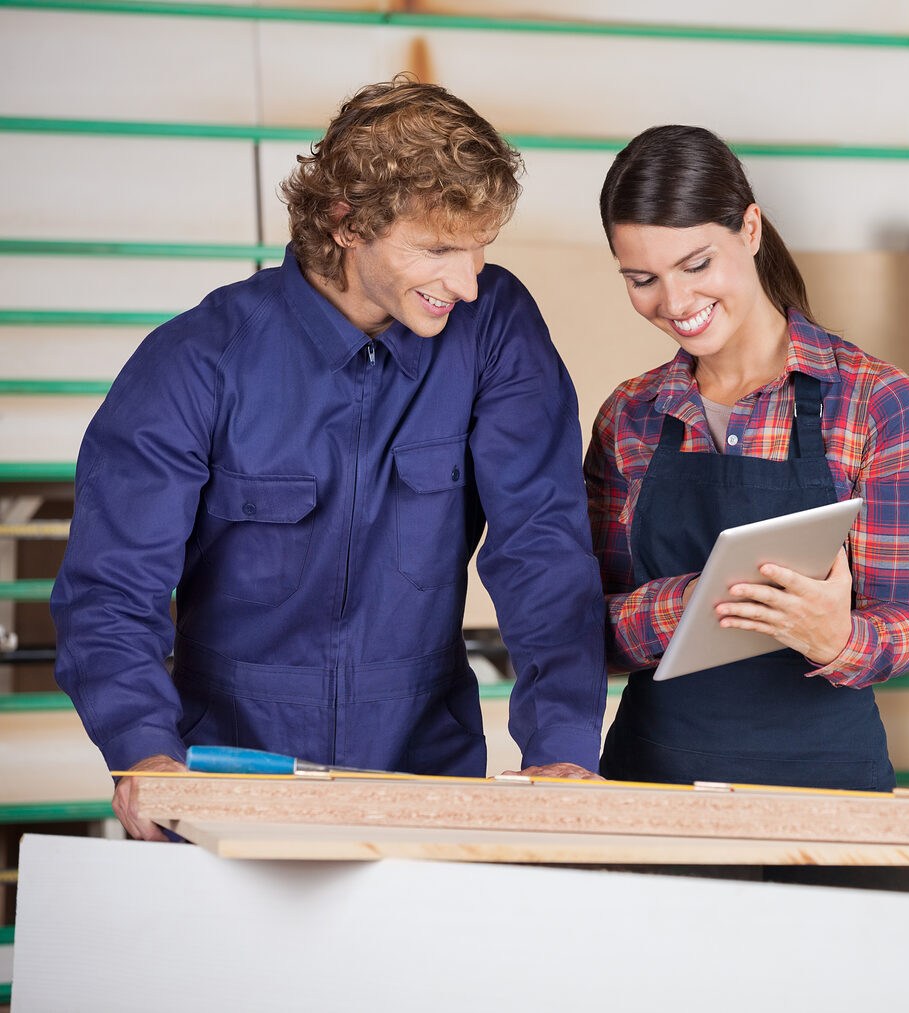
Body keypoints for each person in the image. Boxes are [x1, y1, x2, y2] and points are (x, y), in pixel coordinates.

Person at [50, 76, 607, 842]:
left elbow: (542, 546)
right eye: (439, 248)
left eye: (480, 248)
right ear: (346, 222)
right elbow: (111, 590)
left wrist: (564, 751)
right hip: (227, 784)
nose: (468, 281)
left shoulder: (494, 331)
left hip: (425, 781)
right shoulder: (195, 362)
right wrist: (144, 755)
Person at [584, 125, 909, 792]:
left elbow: (907, 623)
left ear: (750, 229)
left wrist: (837, 636)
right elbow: (581, 630)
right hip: (656, 790)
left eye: (696, 265)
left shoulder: (877, 405)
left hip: (829, 796)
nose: (675, 302)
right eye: (642, 279)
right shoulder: (629, 417)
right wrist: (687, 606)